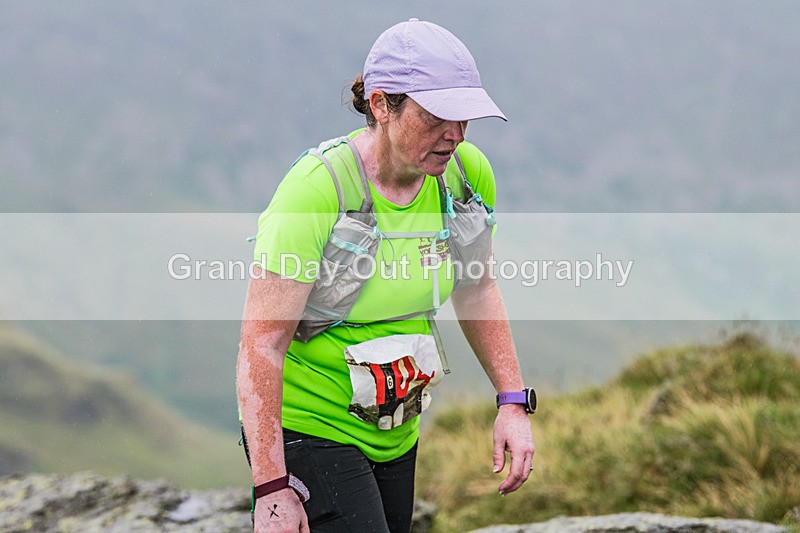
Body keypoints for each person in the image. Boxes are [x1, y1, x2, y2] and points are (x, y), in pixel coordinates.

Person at [237, 18, 535, 533]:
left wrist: (512, 402)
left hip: (396, 430)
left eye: (465, 117)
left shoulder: (465, 178)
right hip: (311, 428)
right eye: (437, 115)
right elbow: (261, 345)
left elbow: (478, 288)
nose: (456, 134)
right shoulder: (316, 191)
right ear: (381, 105)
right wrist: (270, 488)